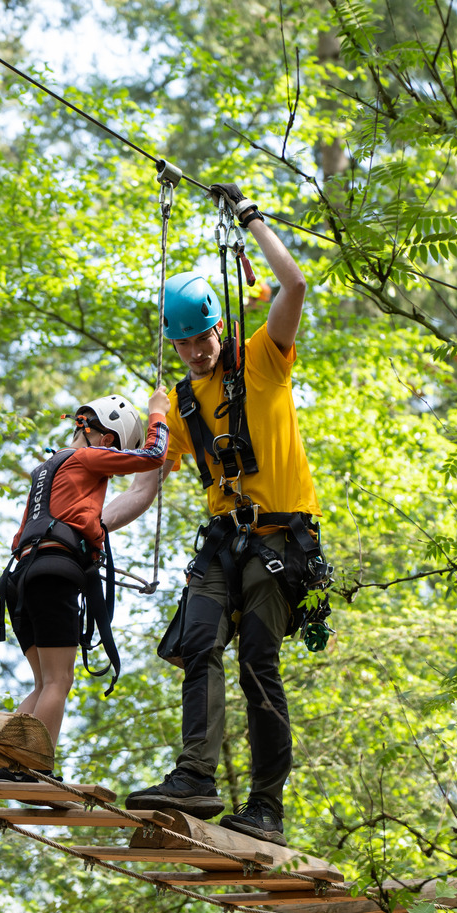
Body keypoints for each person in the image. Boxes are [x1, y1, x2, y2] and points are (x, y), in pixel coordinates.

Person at [119, 181, 325, 846]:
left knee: (258, 660)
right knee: (195, 644)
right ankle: (194, 777)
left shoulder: (263, 358)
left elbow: (292, 287)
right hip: (221, 543)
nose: (194, 353)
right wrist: (90, 525)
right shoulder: (179, 402)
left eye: (202, 339)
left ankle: (266, 806)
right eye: (182, 345)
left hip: (281, 541)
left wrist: (253, 220)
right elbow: (147, 486)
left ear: (219, 326)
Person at [0, 388, 170, 781]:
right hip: (52, 574)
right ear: (107, 440)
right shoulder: (89, 456)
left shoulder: (49, 467)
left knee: (43, 683)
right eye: (115, 451)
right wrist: (158, 413)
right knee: (60, 679)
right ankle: (33, 766)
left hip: (20, 577)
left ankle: (11, 763)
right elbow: (152, 456)